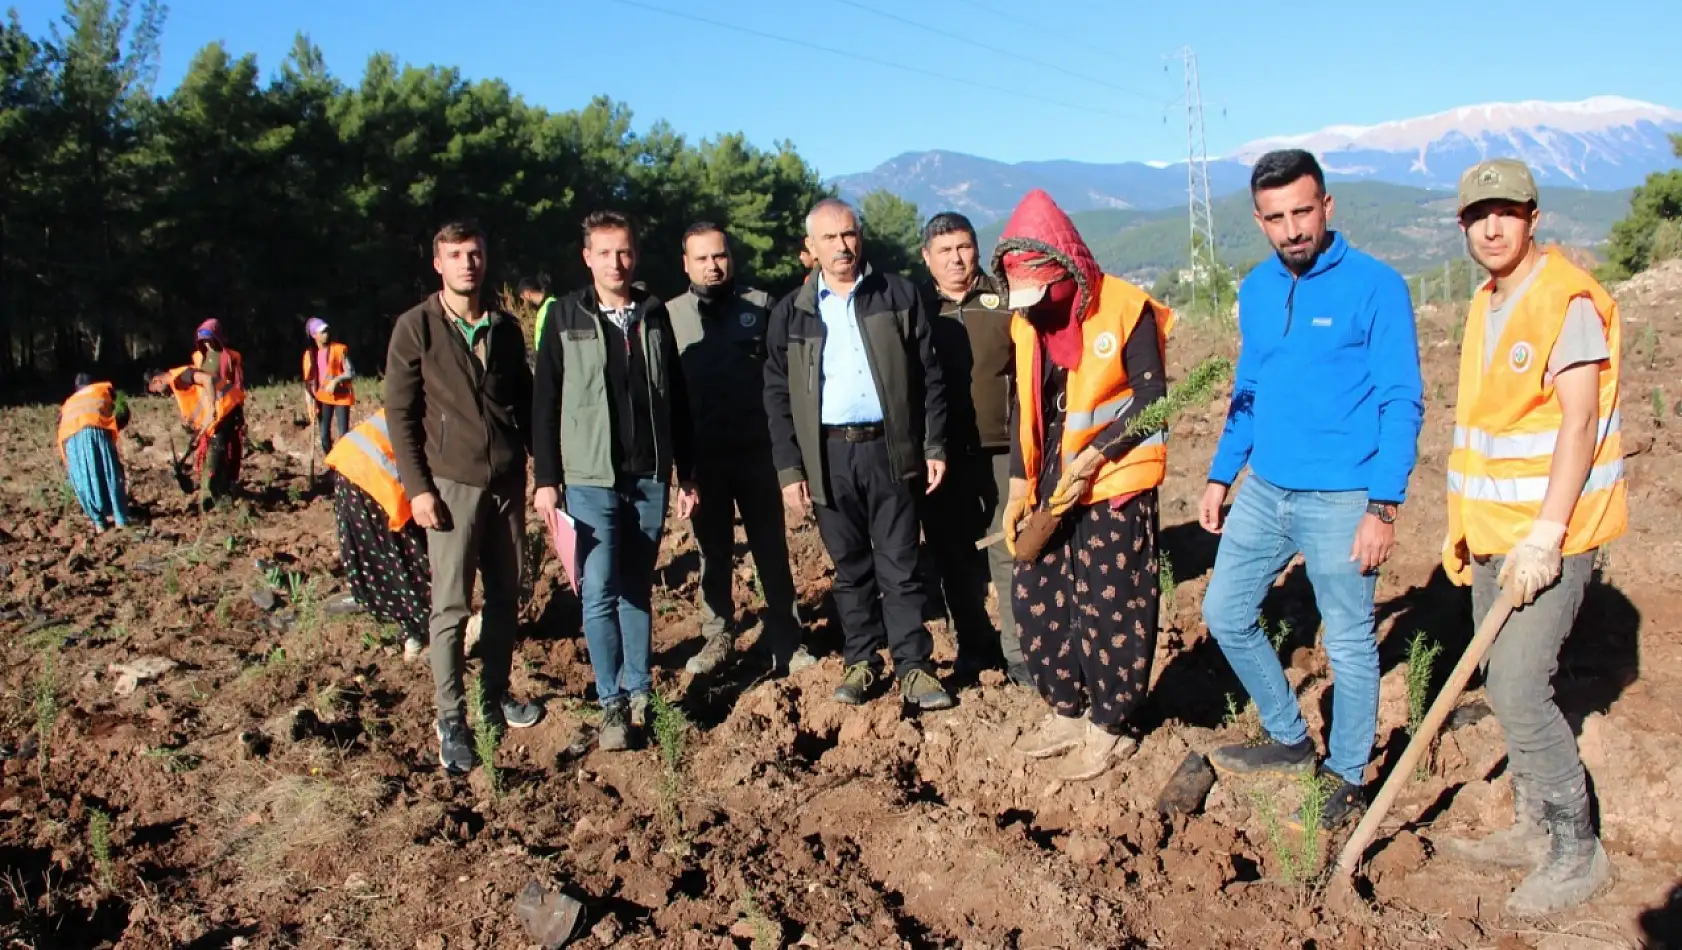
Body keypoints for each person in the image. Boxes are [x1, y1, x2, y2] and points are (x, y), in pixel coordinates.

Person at [1199, 149, 1424, 829]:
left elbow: (1401, 399)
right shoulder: (1258, 290)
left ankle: (1348, 773)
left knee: (1351, 643)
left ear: (1328, 207)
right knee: (1224, 612)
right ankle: (1290, 737)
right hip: (1266, 489)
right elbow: (1249, 389)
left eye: (1303, 211)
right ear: (1259, 220)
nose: (1292, 228)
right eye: (1276, 217)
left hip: (1343, 499)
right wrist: (1221, 472)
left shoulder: (1376, 287)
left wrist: (1383, 506)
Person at [1434, 159, 1623, 916]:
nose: (1492, 226)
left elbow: (1579, 420)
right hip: (1492, 535)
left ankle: (1577, 853)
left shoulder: (1563, 298)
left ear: (1532, 216)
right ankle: (1534, 825)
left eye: (1507, 211)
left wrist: (1546, 537)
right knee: (1502, 683)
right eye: (1479, 214)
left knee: (1517, 683)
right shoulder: (1487, 300)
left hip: (1551, 539)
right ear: (1463, 225)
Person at [989, 190, 1173, 780]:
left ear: (1067, 272)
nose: (1034, 309)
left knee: (1111, 601)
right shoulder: (1026, 324)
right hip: (1051, 478)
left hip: (1114, 477)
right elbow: (1025, 404)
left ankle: (1110, 723)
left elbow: (1153, 399)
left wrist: (1097, 453)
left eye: (1043, 295)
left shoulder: (1124, 308)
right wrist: (1021, 484)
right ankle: (1065, 709)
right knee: (1038, 596)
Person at [763, 197, 955, 710]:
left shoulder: (897, 295)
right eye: (829, 238)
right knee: (849, 568)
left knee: (900, 564)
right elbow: (778, 397)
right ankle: (863, 661)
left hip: (890, 451)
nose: (842, 246)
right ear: (811, 249)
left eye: (848, 235)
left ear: (859, 238)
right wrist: (789, 469)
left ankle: (914, 667)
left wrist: (934, 445)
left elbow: (928, 376)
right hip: (827, 457)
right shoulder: (792, 312)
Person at [532, 211, 698, 752]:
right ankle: (611, 707)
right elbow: (545, 403)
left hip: (648, 477)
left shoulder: (653, 314)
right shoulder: (564, 315)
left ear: (636, 255)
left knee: (635, 590)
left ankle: (641, 690)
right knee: (598, 592)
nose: (616, 262)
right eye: (604, 252)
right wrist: (547, 479)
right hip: (589, 479)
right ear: (587, 258)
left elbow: (676, 396)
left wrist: (686, 472)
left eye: (624, 251)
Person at [386, 219, 542, 776]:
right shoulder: (416, 328)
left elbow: (524, 407)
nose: (466, 264)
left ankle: (494, 695)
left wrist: (542, 471)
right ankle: (451, 717)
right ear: (438, 264)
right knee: (451, 607)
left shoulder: (503, 329)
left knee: (506, 596)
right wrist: (418, 489)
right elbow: (400, 417)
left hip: (505, 483)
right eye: (455, 255)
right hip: (449, 486)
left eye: (474, 254)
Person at [665, 222, 810, 677]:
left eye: (720, 256)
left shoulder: (761, 307)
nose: (713, 266)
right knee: (713, 550)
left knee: (770, 546)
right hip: (702, 459)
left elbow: (785, 378)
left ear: (731, 257)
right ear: (685, 263)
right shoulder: (667, 317)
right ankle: (718, 635)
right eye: (702, 258)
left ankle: (786, 636)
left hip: (758, 454)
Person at [916, 211, 1032, 688]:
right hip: (941, 454)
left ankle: (1020, 651)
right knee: (953, 554)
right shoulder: (916, 308)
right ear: (927, 258)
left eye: (963, 247)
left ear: (977, 249)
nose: (955, 259)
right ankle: (974, 645)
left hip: (1005, 447)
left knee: (1009, 547)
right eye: (944, 251)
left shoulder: (1006, 298)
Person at [324, 409, 432, 662]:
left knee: (389, 561)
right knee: (408, 557)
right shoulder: (448, 412)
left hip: (351, 465)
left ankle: (414, 631)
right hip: (371, 475)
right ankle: (427, 630)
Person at [150, 318, 247, 502]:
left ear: (157, 381)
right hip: (217, 409)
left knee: (219, 450)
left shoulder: (183, 374)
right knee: (212, 449)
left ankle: (217, 491)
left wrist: (212, 409)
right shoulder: (195, 361)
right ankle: (216, 489)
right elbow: (197, 393)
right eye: (203, 341)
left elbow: (210, 382)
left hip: (225, 406)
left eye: (209, 340)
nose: (207, 344)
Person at [59, 372, 131, 532]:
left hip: (70, 438)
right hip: (95, 430)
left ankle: (99, 523)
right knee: (109, 472)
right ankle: (120, 519)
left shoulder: (69, 402)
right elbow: (123, 412)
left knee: (82, 479)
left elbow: (60, 422)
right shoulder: (103, 389)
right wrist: (114, 428)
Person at [301, 317, 355, 455]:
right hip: (322, 398)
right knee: (324, 435)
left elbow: (351, 372)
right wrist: (309, 403)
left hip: (341, 396)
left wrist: (336, 380)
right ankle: (331, 463)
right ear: (314, 336)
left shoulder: (339, 349)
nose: (326, 334)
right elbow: (308, 382)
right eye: (322, 332)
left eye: (327, 331)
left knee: (343, 434)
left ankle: (343, 466)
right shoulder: (310, 355)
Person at [519, 276, 556, 350]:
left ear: (527, 294)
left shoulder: (551, 305)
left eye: (523, 299)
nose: (523, 305)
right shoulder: (542, 309)